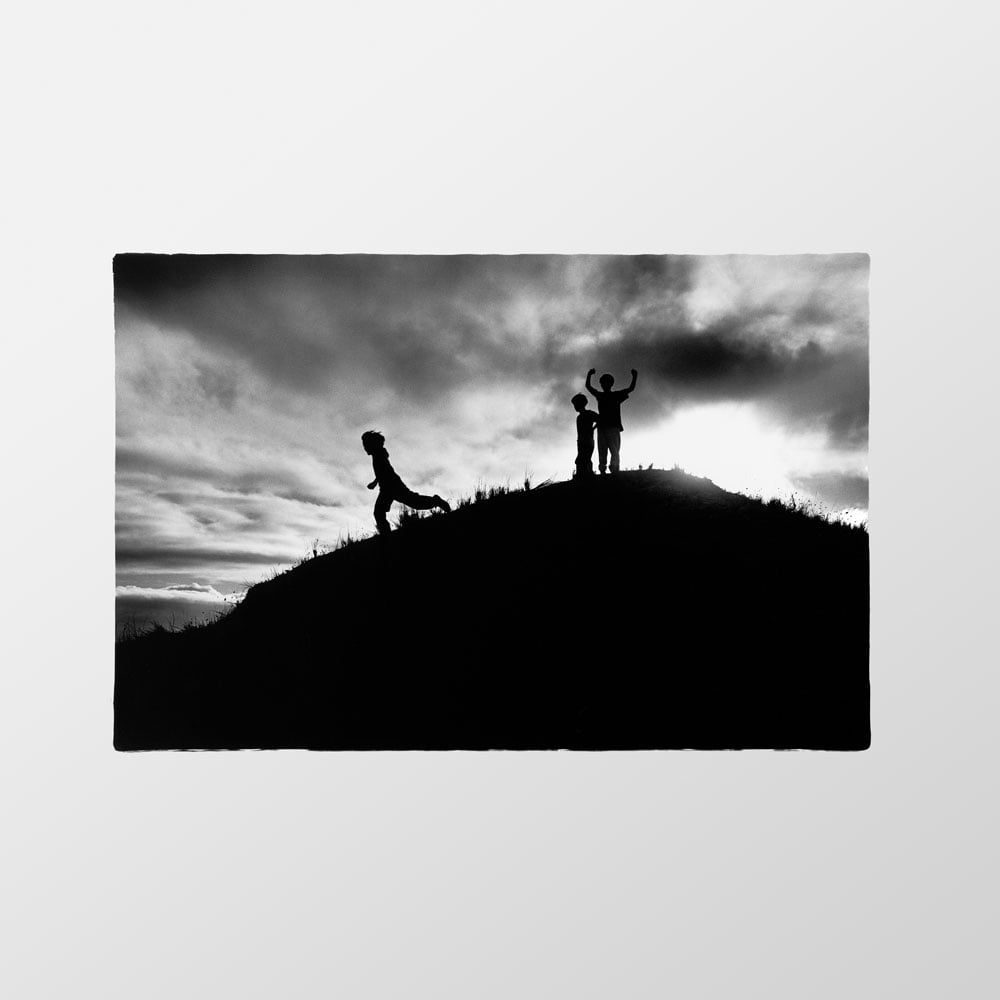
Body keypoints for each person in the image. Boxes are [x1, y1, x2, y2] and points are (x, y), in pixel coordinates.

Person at [361, 430, 451, 535]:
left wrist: (376, 482)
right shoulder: (377, 454)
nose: (364, 448)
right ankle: (386, 534)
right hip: (388, 487)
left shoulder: (379, 454)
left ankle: (436, 501)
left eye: (366, 445)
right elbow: (383, 470)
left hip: (392, 486)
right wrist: (375, 481)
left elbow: (385, 470)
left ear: (372, 444)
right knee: (382, 511)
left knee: (410, 503)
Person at [585, 367, 638, 474]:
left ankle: (610, 469)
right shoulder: (610, 395)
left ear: (610, 383)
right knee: (605, 449)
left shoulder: (606, 395)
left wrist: (590, 375)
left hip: (610, 426)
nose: (603, 384)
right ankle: (607, 469)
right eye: (603, 382)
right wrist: (634, 376)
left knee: (611, 450)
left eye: (605, 382)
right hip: (606, 426)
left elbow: (631, 388)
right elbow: (630, 389)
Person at [571, 393, 599, 478]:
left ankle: (585, 476)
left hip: (587, 441)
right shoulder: (580, 417)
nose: (574, 407)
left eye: (575, 404)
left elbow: (599, 419)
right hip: (582, 441)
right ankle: (585, 475)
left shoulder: (588, 414)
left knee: (582, 459)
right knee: (584, 459)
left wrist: (593, 428)